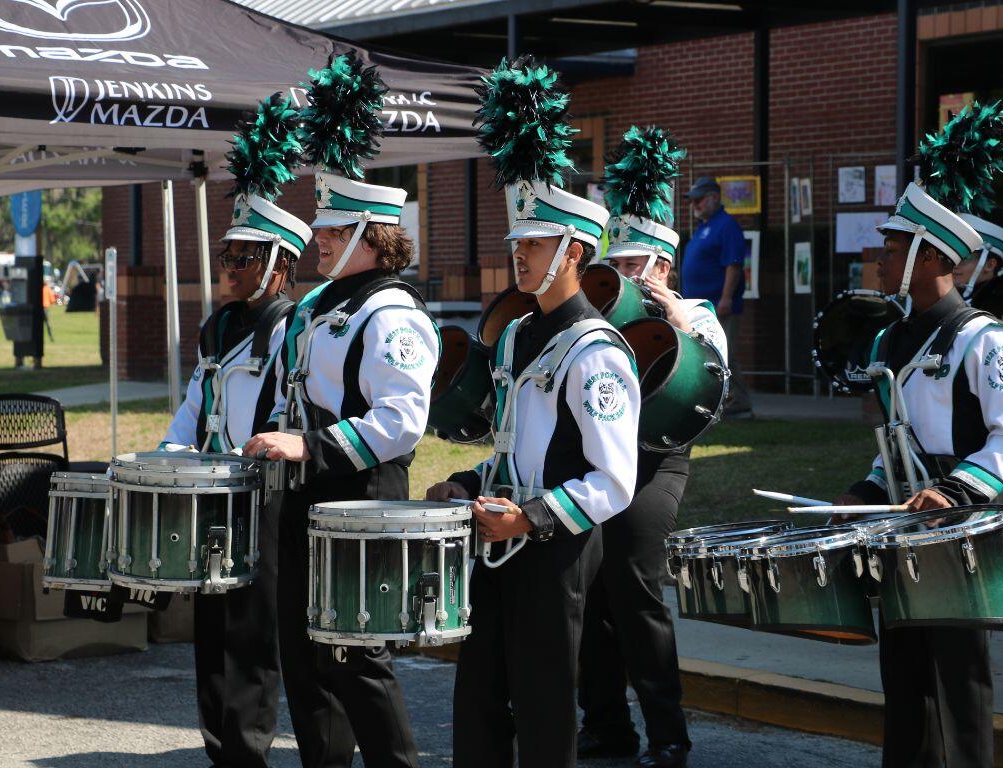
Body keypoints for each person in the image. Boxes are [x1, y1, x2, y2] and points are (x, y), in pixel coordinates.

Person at [425, 56, 640, 768]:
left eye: (536, 243)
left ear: (576, 251)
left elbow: (614, 481)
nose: (519, 254)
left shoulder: (597, 350)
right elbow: (516, 445)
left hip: (557, 551)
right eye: (517, 241)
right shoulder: (517, 333)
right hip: (500, 542)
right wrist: (468, 480)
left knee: (546, 711)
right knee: (480, 702)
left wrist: (533, 517)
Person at [242, 52, 438, 768]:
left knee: (357, 660)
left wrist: (309, 447)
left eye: (332, 231)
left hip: (360, 499)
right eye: (322, 229)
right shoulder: (322, 304)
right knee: (307, 659)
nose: (317, 239)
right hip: (305, 498)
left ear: (371, 238)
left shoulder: (392, 314)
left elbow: (402, 422)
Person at [836, 104, 1003, 767]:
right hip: (904, 522)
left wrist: (953, 491)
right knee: (906, 673)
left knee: (960, 680)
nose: (881, 259)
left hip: (964, 526)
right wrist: (866, 489)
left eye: (893, 250)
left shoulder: (988, 339)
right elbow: (895, 437)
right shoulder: (893, 336)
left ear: (930, 257)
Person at [158, 94, 309, 768]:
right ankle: (220, 751)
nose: (230, 268)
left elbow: (293, 415)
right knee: (211, 632)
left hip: (265, 491)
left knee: (253, 636)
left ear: (278, 265)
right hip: (211, 487)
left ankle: (247, 756)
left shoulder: (291, 326)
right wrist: (167, 452)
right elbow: (199, 399)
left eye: (245, 258)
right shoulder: (218, 325)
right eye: (228, 254)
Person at [577, 127, 726, 768]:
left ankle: (668, 731)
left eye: (638, 265)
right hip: (594, 456)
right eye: (618, 264)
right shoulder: (597, 313)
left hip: (657, 458)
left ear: (664, 266)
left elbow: (714, 386)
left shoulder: (696, 312)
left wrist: (677, 322)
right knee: (589, 590)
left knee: (636, 586)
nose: (625, 275)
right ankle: (606, 723)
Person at [681, 176, 751, 417]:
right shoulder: (704, 227)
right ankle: (718, 402)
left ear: (715, 198)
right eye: (693, 201)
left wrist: (726, 298)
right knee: (707, 355)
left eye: (699, 200)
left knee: (724, 354)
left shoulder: (727, 225)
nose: (695, 206)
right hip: (700, 307)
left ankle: (739, 404)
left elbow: (733, 265)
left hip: (718, 305)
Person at [955, 214, 1003, 300]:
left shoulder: (998, 301)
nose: (955, 264)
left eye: (964, 258)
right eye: (954, 256)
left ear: (990, 265)